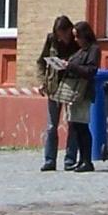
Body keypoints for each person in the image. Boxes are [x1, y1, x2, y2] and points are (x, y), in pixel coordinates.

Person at [60, 21, 102, 172]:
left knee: (83, 127)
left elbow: (90, 70)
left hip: (83, 93)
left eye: (77, 37)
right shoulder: (79, 51)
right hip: (73, 93)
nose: (76, 40)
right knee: (75, 126)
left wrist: (71, 66)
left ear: (85, 35)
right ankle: (80, 159)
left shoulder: (94, 50)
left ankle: (87, 160)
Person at [37, 16, 77, 171]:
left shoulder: (76, 41)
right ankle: (49, 160)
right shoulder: (51, 40)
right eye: (59, 34)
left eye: (64, 34)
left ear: (69, 30)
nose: (61, 38)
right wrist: (42, 81)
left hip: (71, 86)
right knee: (52, 125)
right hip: (54, 86)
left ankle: (70, 159)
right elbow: (41, 62)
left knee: (72, 123)